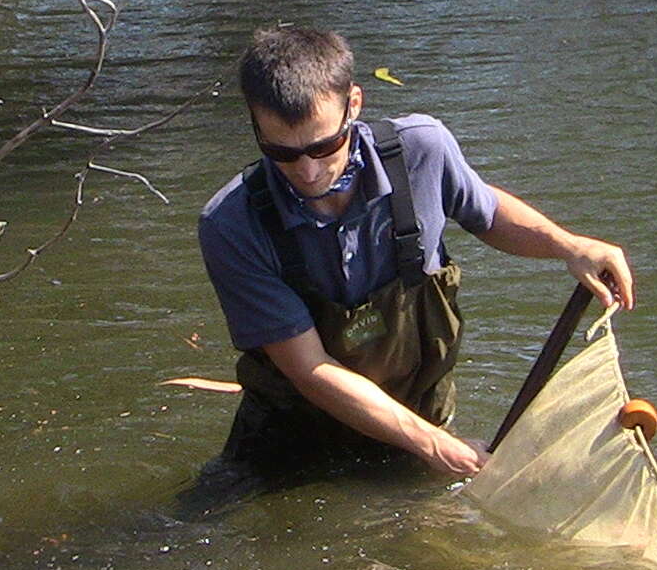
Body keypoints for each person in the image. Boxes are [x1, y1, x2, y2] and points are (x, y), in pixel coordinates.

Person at [194, 26, 632, 487]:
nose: (307, 170)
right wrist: (431, 444)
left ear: (354, 104)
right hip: (294, 445)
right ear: (255, 124)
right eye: (281, 152)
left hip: (421, 415)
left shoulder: (422, 150)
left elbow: (486, 211)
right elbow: (309, 368)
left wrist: (569, 246)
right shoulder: (231, 225)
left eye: (324, 146)